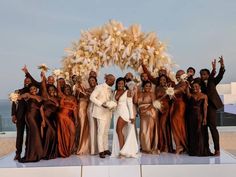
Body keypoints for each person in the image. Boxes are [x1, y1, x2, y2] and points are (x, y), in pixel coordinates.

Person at [200, 56, 225, 156]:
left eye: (204, 74)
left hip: (211, 107)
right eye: (201, 74)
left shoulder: (212, 81)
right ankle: (205, 149)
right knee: (203, 129)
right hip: (201, 108)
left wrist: (221, 66)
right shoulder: (199, 83)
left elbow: (220, 75)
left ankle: (217, 150)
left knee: (213, 128)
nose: (203, 76)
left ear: (208, 74)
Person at [90, 74, 115, 158]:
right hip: (100, 112)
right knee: (100, 132)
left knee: (106, 132)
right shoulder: (99, 87)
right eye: (112, 80)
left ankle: (106, 148)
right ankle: (101, 151)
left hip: (108, 113)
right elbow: (92, 97)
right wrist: (101, 104)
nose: (113, 82)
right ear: (107, 79)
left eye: (114, 80)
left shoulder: (111, 90)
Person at [112, 77, 138, 158]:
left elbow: (130, 105)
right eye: (119, 83)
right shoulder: (114, 92)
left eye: (122, 84)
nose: (120, 85)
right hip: (116, 113)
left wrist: (132, 116)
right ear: (117, 84)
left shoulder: (128, 92)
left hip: (124, 113)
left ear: (124, 84)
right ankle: (122, 150)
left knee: (118, 130)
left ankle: (122, 152)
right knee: (119, 131)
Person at [19, 84, 44, 162]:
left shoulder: (40, 97)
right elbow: (20, 96)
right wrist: (20, 94)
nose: (33, 90)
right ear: (29, 90)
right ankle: (33, 154)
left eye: (34, 88)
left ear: (37, 89)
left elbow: (41, 109)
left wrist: (43, 120)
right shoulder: (28, 95)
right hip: (30, 116)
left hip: (38, 117)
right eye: (31, 89)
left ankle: (36, 153)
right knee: (35, 133)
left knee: (36, 134)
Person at [186, 80, 212, 156]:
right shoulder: (191, 95)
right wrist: (188, 86)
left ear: (200, 87)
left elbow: (205, 108)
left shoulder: (204, 96)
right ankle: (194, 151)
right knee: (192, 132)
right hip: (191, 116)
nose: (195, 88)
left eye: (196, 86)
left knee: (200, 132)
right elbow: (187, 94)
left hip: (200, 116)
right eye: (193, 87)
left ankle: (201, 150)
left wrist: (205, 118)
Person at [134, 81, 159, 154]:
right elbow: (135, 102)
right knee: (143, 131)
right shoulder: (140, 94)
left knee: (149, 130)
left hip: (150, 112)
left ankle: (149, 147)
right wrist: (135, 91)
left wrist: (146, 109)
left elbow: (154, 104)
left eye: (149, 86)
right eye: (146, 86)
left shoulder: (152, 94)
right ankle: (144, 147)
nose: (148, 87)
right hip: (142, 114)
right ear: (143, 87)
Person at [11, 77, 31, 160]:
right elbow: (14, 103)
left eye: (29, 81)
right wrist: (13, 115)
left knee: (30, 135)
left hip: (30, 117)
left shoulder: (33, 92)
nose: (27, 82)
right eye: (26, 81)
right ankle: (18, 153)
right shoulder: (18, 91)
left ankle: (27, 152)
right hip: (20, 116)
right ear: (23, 82)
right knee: (19, 135)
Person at [57, 81, 78, 157]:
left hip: (69, 117)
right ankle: (64, 149)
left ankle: (70, 148)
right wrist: (57, 79)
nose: (67, 90)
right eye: (66, 89)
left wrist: (76, 119)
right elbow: (58, 89)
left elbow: (75, 109)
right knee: (64, 133)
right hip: (61, 116)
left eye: (68, 89)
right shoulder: (62, 96)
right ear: (63, 90)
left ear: (70, 90)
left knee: (73, 132)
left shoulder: (73, 98)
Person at [40, 73, 59, 159]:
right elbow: (43, 86)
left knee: (53, 135)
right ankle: (45, 153)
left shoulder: (56, 98)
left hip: (54, 119)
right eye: (50, 90)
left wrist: (58, 77)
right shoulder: (46, 96)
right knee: (51, 134)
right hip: (47, 118)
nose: (51, 91)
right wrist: (43, 77)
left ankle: (52, 153)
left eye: (53, 90)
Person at [170, 70, 188, 154]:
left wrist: (172, 91)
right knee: (174, 124)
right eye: (176, 75)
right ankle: (178, 145)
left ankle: (182, 144)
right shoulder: (176, 84)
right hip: (175, 105)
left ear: (183, 76)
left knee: (177, 123)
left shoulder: (185, 83)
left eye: (179, 75)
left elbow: (181, 90)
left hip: (180, 105)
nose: (177, 77)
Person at [155, 75, 173, 153]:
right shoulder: (157, 88)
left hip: (166, 108)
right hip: (159, 108)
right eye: (161, 79)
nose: (163, 81)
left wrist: (169, 92)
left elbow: (171, 99)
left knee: (163, 125)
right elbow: (156, 99)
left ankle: (166, 145)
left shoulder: (168, 88)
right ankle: (160, 145)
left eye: (164, 80)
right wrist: (158, 106)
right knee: (159, 126)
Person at [86, 76, 99, 155]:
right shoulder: (87, 90)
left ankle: (100, 148)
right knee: (92, 128)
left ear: (96, 81)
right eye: (90, 80)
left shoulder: (99, 89)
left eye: (93, 80)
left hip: (99, 110)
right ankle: (93, 150)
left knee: (99, 129)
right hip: (90, 109)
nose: (91, 81)